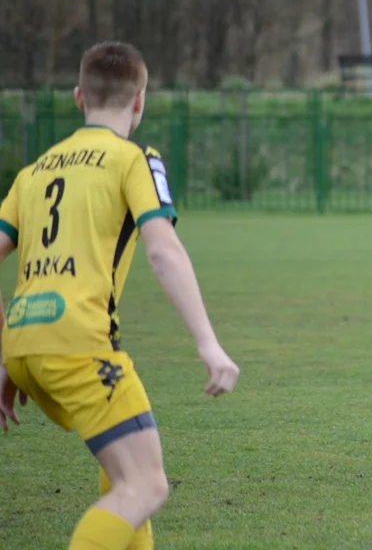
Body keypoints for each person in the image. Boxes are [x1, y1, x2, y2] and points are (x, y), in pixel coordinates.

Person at [0, 42, 240, 550]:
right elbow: (164, 252)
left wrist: (9, 349)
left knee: (124, 472)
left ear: (78, 97)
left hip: (26, 345)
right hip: (79, 344)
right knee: (146, 485)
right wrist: (208, 344)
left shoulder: (34, 172)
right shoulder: (134, 159)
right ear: (139, 102)